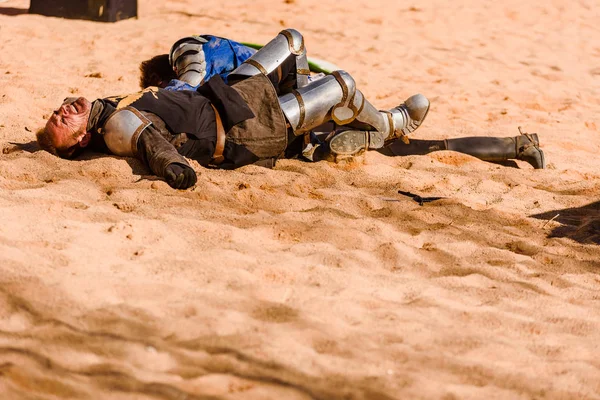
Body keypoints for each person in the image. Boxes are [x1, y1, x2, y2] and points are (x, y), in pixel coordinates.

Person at [37, 29, 544, 191]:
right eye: (64, 122)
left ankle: (326, 118)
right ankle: (390, 123)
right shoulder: (119, 124)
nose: (64, 110)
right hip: (242, 130)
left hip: (228, 94)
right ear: (83, 140)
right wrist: (173, 171)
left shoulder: (113, 103)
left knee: (292, 41)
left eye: (60, 110)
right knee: (341, 85)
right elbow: (152, 144)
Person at [139, 31, 546, 170]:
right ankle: (385, 126)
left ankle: (369, 129)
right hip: (264, 105)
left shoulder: (185, 49)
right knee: (387, 141)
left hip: (268, 95)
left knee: (365, 129)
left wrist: (162, 94)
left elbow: (191, 79)